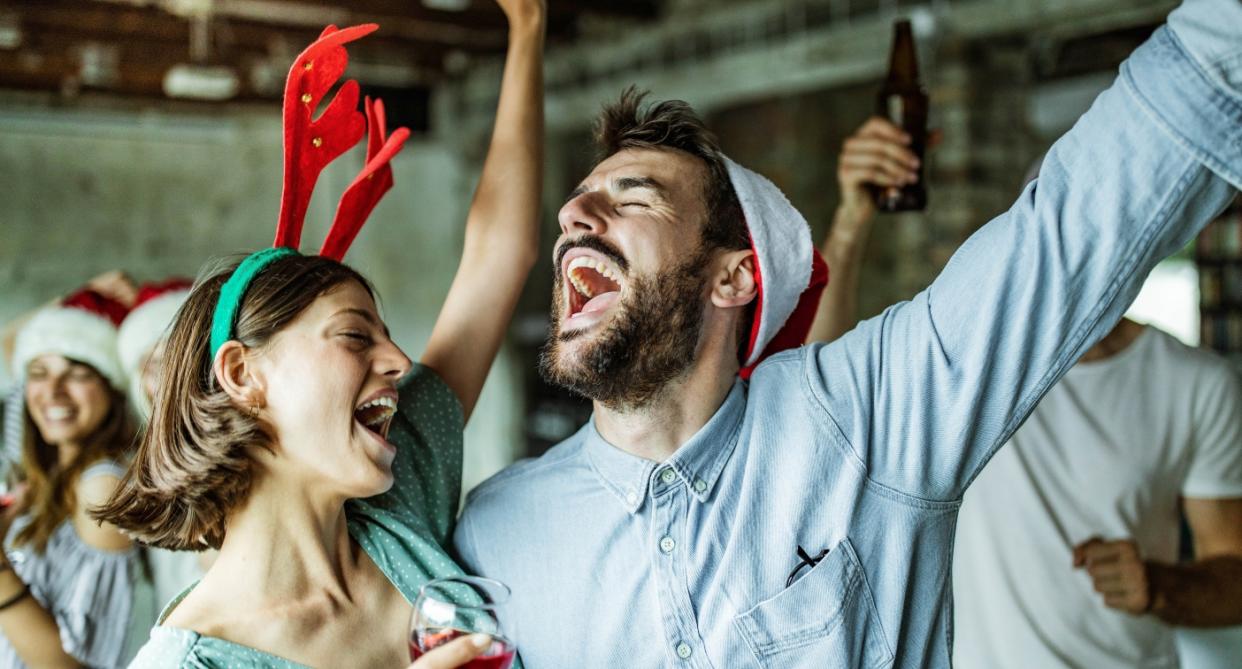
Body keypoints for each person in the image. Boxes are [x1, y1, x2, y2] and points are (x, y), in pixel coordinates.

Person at [452, 1, 1242, 666]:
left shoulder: (866, 418)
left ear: (734, 277)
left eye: (635, 197)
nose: (572, 216)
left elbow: (1068, 229)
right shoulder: (493, 536)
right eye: (581, 200)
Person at [92, 1, 545, 667]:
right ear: (244, 374)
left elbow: (499, 255)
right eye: (356, 336)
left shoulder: (398, 502)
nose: (398, 359)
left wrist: (528, 27)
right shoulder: (189, 663)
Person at [812, 114, 1242, 667]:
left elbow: (1234, 573)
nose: (1070, 255)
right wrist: (851, 221)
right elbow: (817, 380)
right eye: (1051, 234)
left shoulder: (1196, 385)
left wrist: (1159, 586)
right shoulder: (969, 356)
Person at [0, 284, 156, 668]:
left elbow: (73, 665)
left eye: (77, 373)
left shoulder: (103, 487)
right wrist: (75, 297)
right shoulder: (34, 468)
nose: (53, 391)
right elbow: (7, 346)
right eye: (39, 372)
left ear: (112, 388)